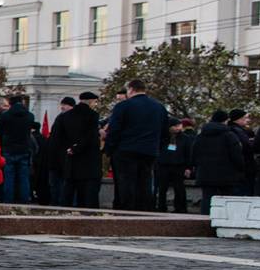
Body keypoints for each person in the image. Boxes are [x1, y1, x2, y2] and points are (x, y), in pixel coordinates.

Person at [102, 78, 170, 210]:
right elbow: (164, 134)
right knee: (145, 183)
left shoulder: (123, 106)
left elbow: (115, 130)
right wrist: (157, 149)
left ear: (131, 89)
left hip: (125, 151)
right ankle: (144, 211)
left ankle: (126, 212)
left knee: (125, 184)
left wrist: (109, 149)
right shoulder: (159, 107)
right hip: (149, 151)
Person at [191, 109, 246, 214]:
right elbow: (236, 155)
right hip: (226, 174)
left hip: (205, 173)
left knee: (207, 198)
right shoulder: (229, 135)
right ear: (225, 121)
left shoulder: (201, 135)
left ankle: (204, 221)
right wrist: (241, 169)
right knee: (226, 200)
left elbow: (194, 154)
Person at [53, 92, 103, 209]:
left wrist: (69, 149)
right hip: (88, 159)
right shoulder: (92, 115)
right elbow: (90, 136)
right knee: (88, 193)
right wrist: (77, 148)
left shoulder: (65, 116)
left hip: (70, 158)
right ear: (91, 101)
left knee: (69, 190)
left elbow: (57, 137)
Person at [0, 94, 36, 204]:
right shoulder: (30, 116)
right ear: (22, 102)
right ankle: (24, 200)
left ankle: (8, 200)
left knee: (8, 177)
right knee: (24, 178)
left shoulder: (4, 117)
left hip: (8, 149)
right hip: (24, 149)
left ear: (10, 104)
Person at [155, 118, 193, 213]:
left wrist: (188, 167)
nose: (178, 128)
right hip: (163, 165)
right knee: (162, 188)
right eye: (175, 126)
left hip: (179, 165)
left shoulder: (185, 138)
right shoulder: (163, 138)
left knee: (179, 188)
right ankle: (161, 207)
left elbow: (188, 153)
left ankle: (180, 208)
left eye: (179, 126)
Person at [229, 109, 258, 196]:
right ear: (238, 119)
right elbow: (247, 146)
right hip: (244, 168)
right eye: (245, 118)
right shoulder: (238, 131)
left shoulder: (234, 130)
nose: (247, 120)